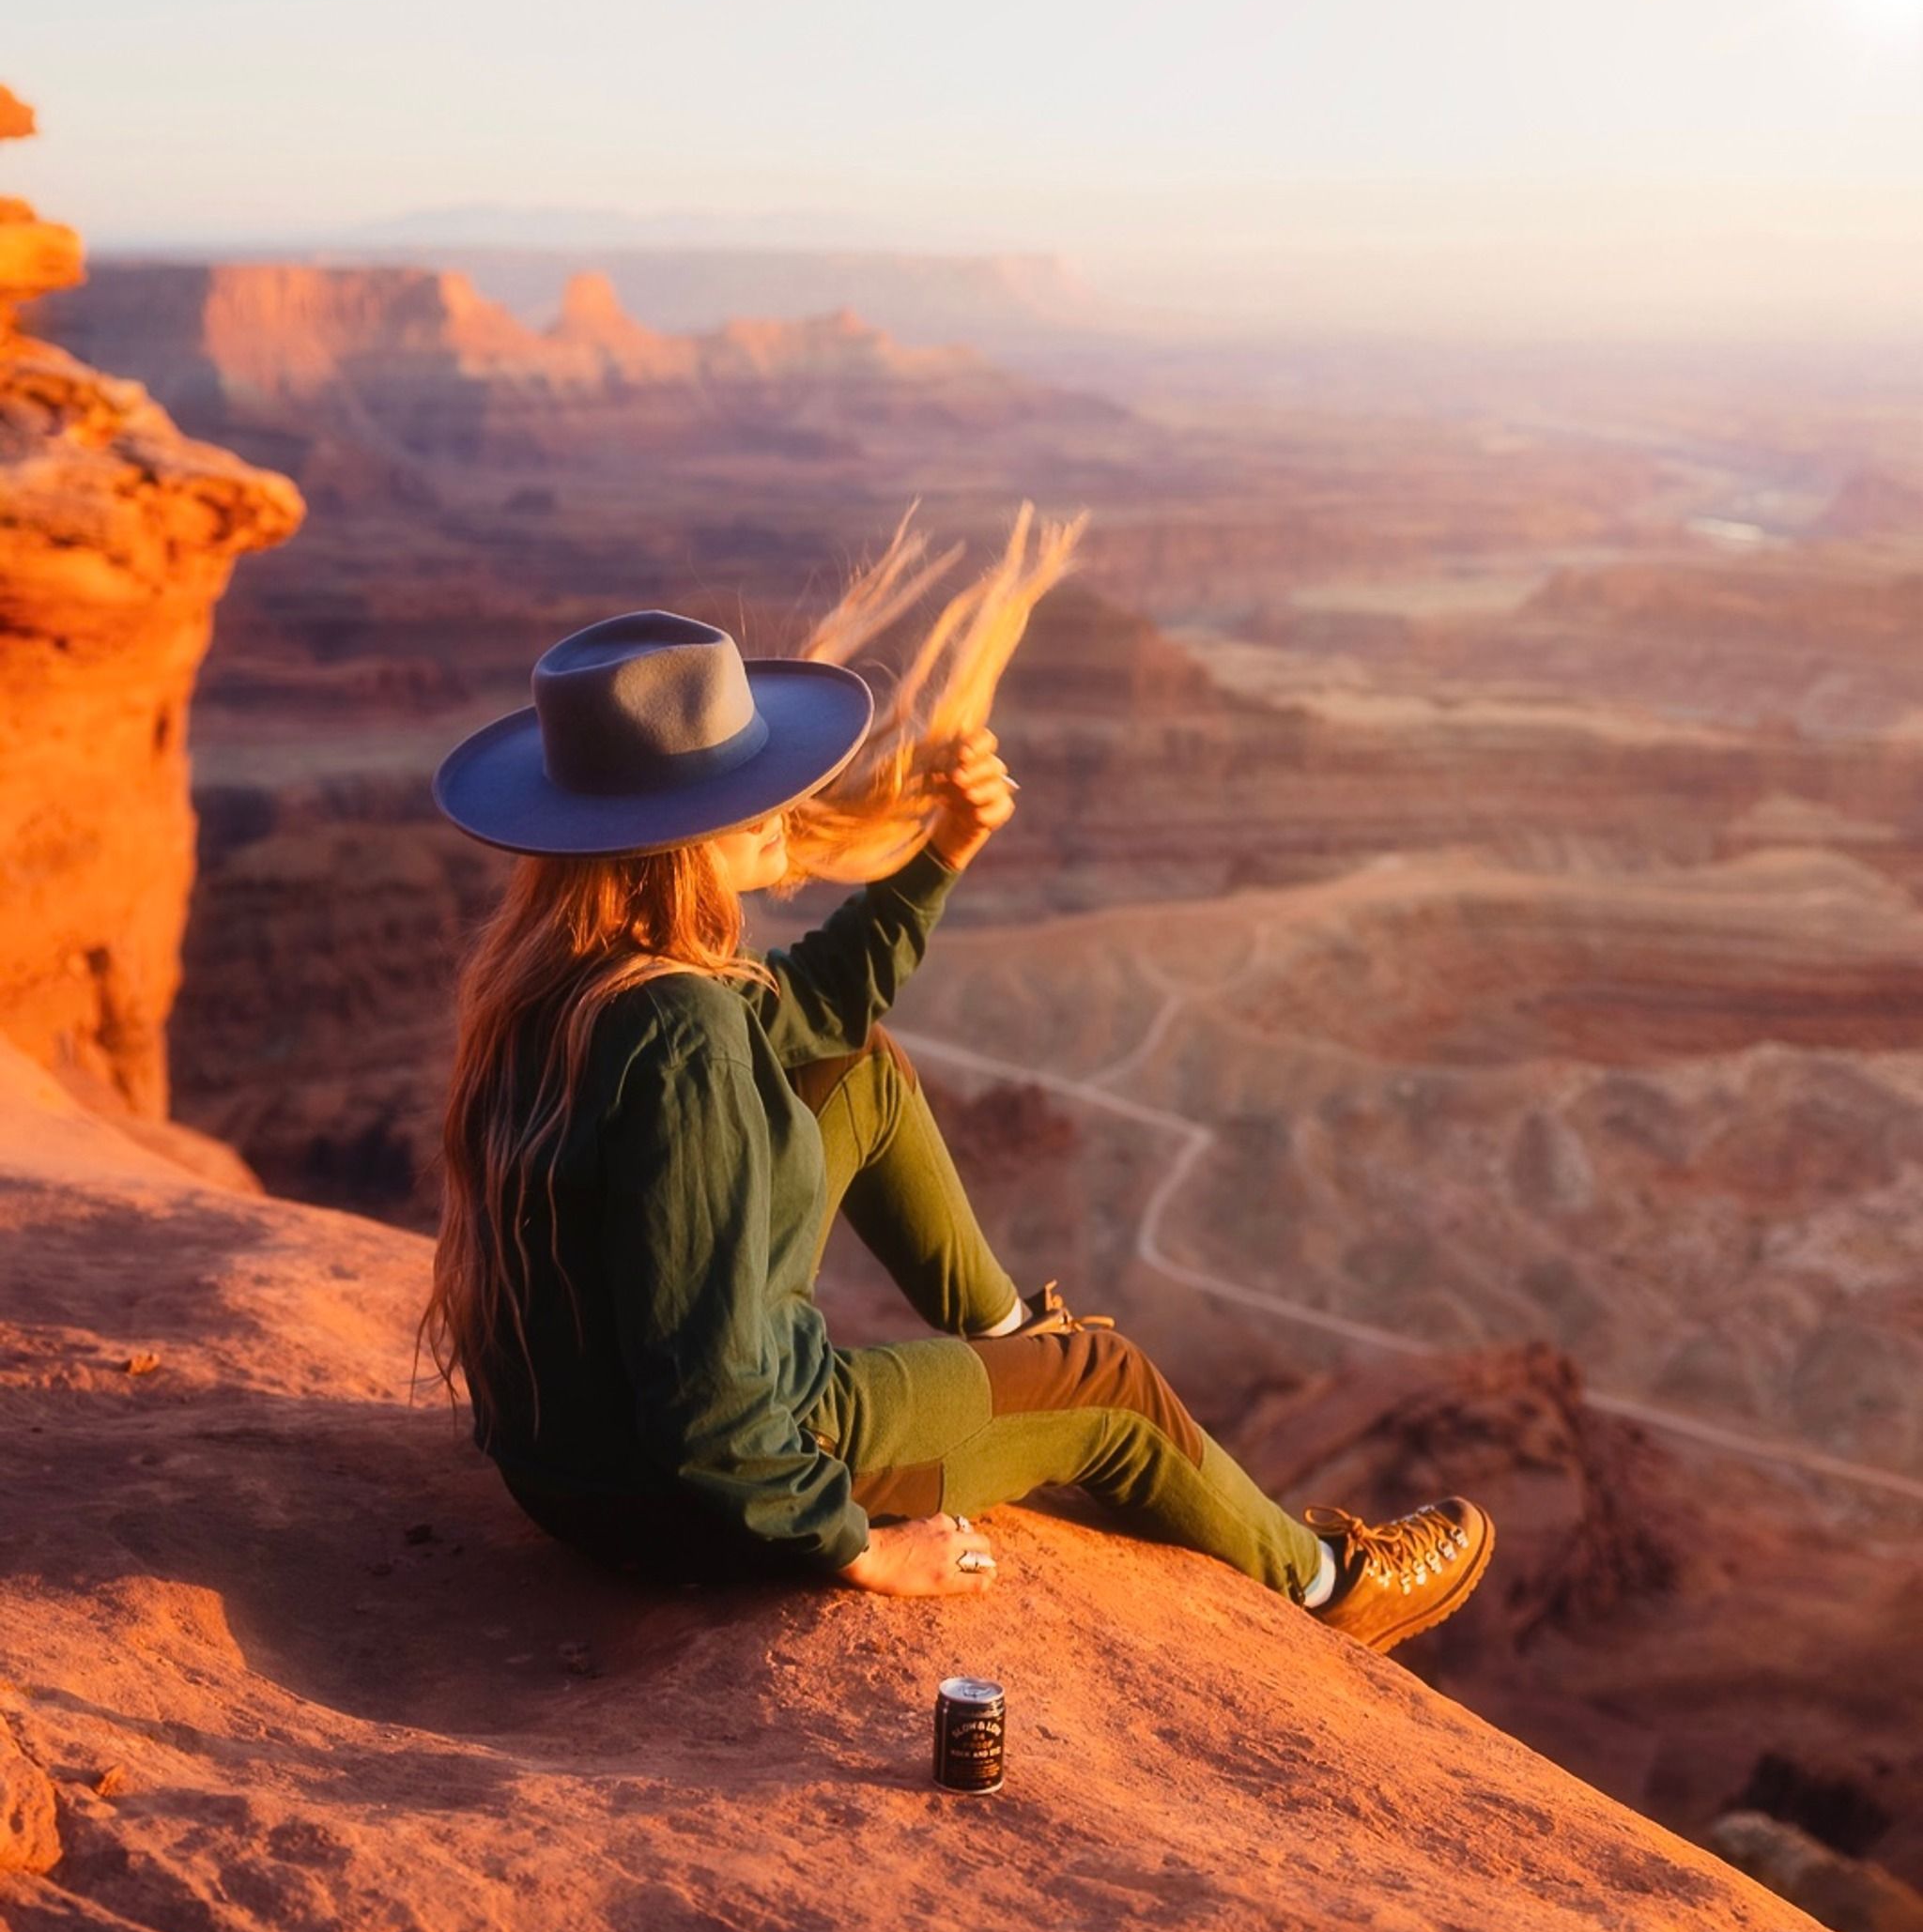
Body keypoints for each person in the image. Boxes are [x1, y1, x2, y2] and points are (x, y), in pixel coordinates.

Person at [423, 607, 1494, 1648]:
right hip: (683, 1496)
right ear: (680, 841)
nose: (784, 803)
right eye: (750, 794)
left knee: (856, 1069)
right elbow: (711, 1396)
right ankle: (1329, 1584)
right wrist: (853, 1546)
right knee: (1108, 1384)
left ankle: (1007, 1333)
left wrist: (945, 847)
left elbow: (820, 1011)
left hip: (574, 1470)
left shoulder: (566, 975)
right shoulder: (680, 1031)